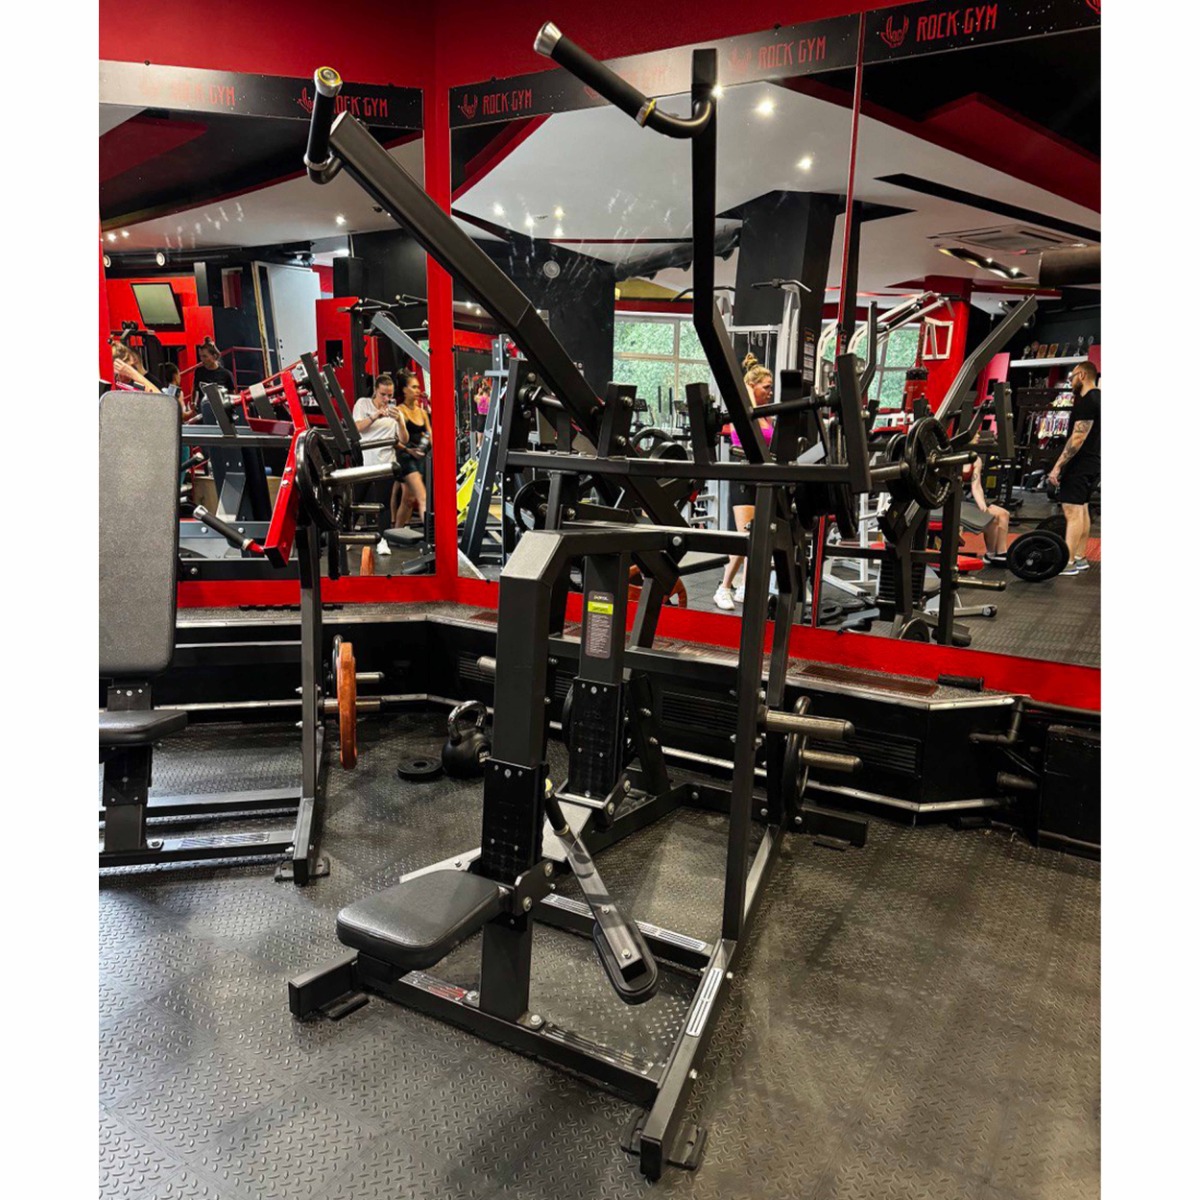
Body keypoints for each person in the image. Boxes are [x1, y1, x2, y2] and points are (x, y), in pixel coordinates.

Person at [714, 354, 774, 611]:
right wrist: (747, 385)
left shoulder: (767, 416)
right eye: (766, 387)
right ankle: (724, 587)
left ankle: (745, 588)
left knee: (757, 536)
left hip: (762, 477)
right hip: (743, 476)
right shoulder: (745, 413)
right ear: (752, 386)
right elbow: (746, 399)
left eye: (771, 387)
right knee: (745, 536)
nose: (770, 392)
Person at [1048, 360, 1100, 576]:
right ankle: (1079, 557)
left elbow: (1078, 437)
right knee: (1082, 508)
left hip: (1081, 463)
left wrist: (1057, 466)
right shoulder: (1101, 398)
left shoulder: (1088, 401)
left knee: (1072, 510)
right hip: (1094, 462)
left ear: (1082, 375)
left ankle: (1067, 562)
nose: (1070, 381)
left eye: (1072, 376)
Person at [351, 373, 407, 556]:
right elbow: (356, 428)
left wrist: (400, 421)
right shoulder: (363, 404)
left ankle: (383, 541)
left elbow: (404, 440)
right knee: (356, 501)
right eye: (383, 394)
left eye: (390, 395)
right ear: (375, 390)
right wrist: (375, 416)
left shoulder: (395, 411)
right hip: (366, 462)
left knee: (383, 504)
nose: (386, 399)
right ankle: (347, 536)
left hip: (386, 463)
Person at [392, 370, 431, 532]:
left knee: (408, 500)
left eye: (418, 387)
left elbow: (429, 434)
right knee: (422, 497)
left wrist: (424, 444)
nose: (417, 391)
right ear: (404, 390)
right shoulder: (400, 411)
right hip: (406, 457)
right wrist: (410, 451)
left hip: (419, 457)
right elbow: (395, 440)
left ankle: (395, 534)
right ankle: (432, 538)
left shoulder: (422, 412)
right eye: (413, 387)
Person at [192, 338, 236, 402]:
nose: (202, 360)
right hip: (204, 406)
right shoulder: (199, 371)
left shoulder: (226, 374)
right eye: (200, 356)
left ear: (214, 356)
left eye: (205, 356)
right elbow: (195, 390)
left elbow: (233, 395)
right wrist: (193, 403)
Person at [472, 378, 492, 454]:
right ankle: (481, 443)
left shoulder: (479, 397)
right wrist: (488, 386)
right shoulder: (489, 399)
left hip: (481, 416)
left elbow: (475, 398)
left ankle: (479, 443)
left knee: (480, 430)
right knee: (484, 430)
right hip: (487, 416)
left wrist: (479, 393)